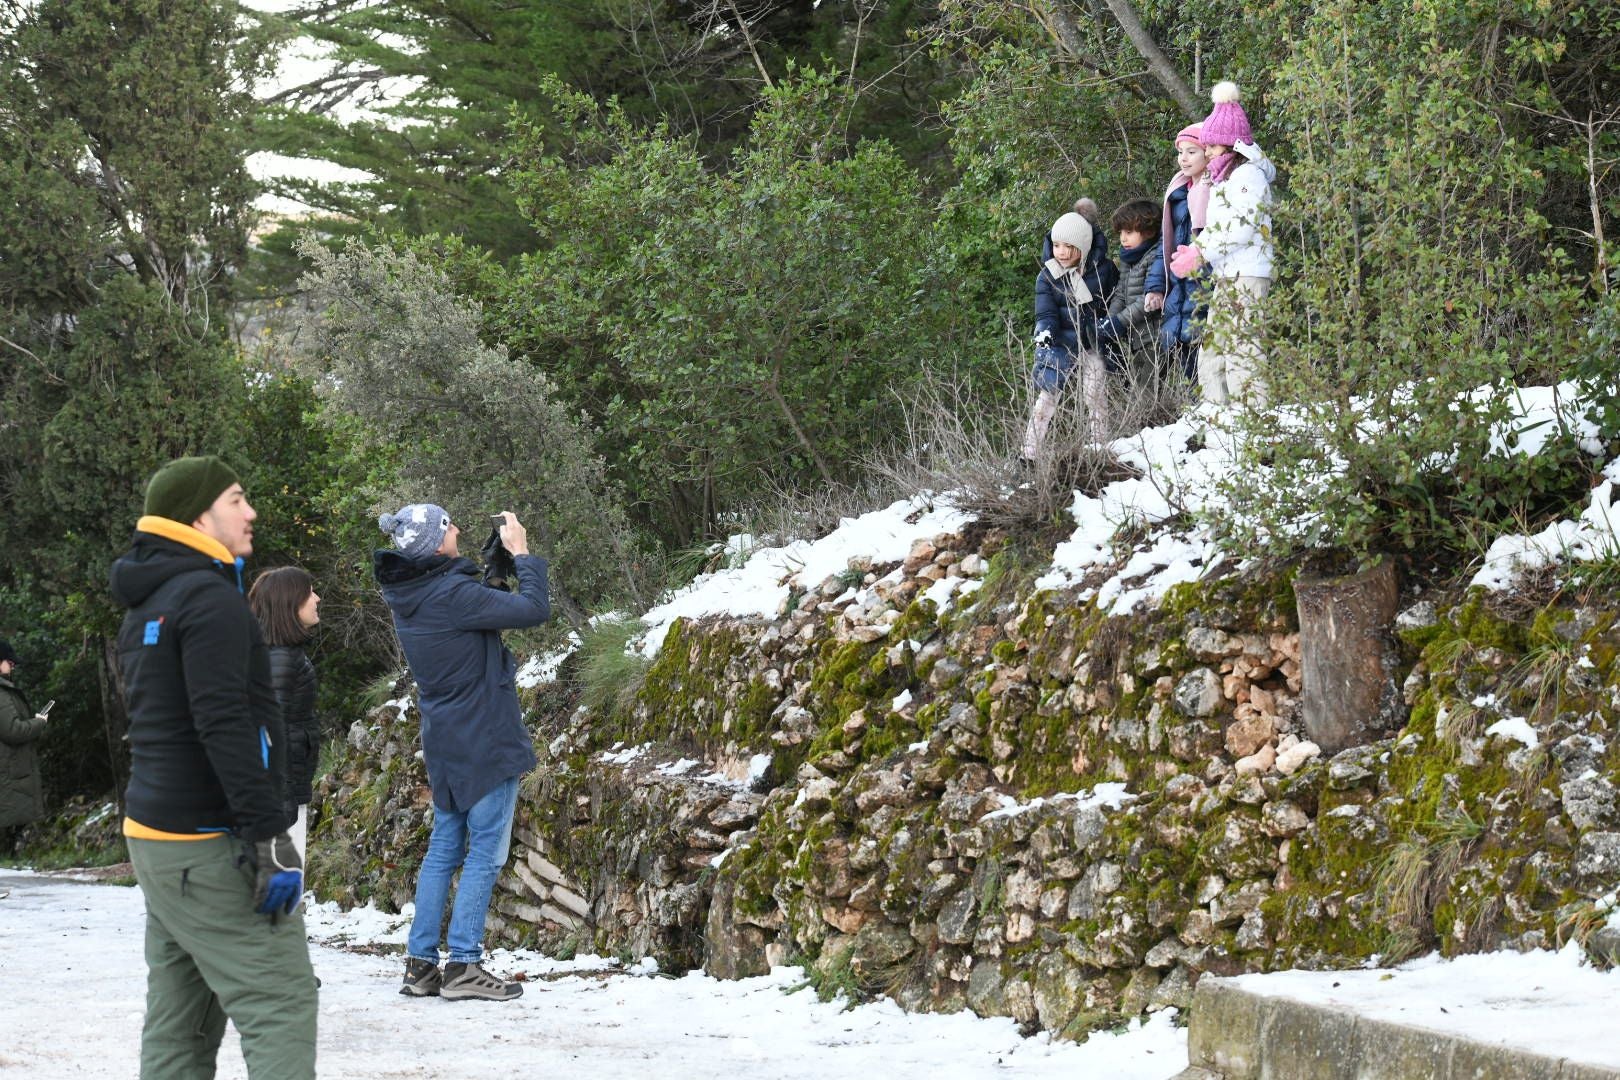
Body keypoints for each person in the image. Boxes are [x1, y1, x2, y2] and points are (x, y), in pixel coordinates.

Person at [109, 455, 316, 1079]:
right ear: (198, 517)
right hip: (207, 845)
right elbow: (223, 724)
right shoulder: (211, 600)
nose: (250, 512)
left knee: (183, 1023)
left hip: (154, 839)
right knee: (280, 1000)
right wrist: (267, 835)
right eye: (236, 499)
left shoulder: (146, 604)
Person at [374, 503, 551, 1001]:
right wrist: (521, 555)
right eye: (447, 525)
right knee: (486, 852)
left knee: (444, 848)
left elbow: (468, 615)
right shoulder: (451, 595)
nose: (456, 528)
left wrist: (492, 574)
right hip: (485, 737)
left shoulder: (410, 593)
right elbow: (535, 610)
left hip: (445, 738)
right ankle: (465, 966)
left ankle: (421, 965)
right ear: (434, 544)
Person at [1169, 82, 1277, 405]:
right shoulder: (1224, 178)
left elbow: (1239, 227)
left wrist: (1201, 251)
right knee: (1213, 350)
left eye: (1213, 146)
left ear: (1230, 145)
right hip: (1229, 275)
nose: (1209, 153)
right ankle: (1216, 415)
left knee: (1243, 349)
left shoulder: (1248, 177)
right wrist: (1196, 250)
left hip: (1248, 273)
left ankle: (1255, 418)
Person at [1022, 211, 1117, 460]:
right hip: (1061, 342)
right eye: (1056, 245)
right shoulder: (1047, 276)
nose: (1061, 252)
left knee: (1094, 392)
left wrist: (1109, 325)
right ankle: (1030, 451)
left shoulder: (1102, 270)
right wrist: (1044, 333)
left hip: (1092, 341)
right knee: (1047, 395)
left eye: (1068, 246)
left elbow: (1116, 298)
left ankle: (1099, 444)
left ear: (1083, 247)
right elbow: (1046, 312)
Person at [248, 567, 322, 859]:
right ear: (290, 603)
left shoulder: (276, 652)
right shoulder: (280, 658)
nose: (317, 598)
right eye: (309, 592)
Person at [1157, 123, 1213, 385]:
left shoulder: (1215, 187)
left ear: (1208, 153)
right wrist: (1156, 287)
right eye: (1181, 152)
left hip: (1203, 280)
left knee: (1203, 350)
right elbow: (1165, 243)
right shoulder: (1177, 191)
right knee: (1183, 351)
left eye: (1192, 151)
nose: (1184, 158)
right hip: (1179, 283)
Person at [1097, 198, 1166, 386]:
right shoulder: (1129, 259)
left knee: (1147, 395)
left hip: (1155, 338)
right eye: (1121, 233)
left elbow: (1148, 301)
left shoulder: (1155, 257)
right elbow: (1120, 293)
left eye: (1129, 232)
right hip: (1137, 339)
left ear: (1149, 231)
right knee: (1134, 389)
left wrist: (1120, 321)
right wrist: (1109, 321)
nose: (1123, 238)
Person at [0, 639, 50, 842]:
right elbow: (12, 730)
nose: (13, 665)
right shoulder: (1, 693)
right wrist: (38, 723)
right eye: (8, 661)